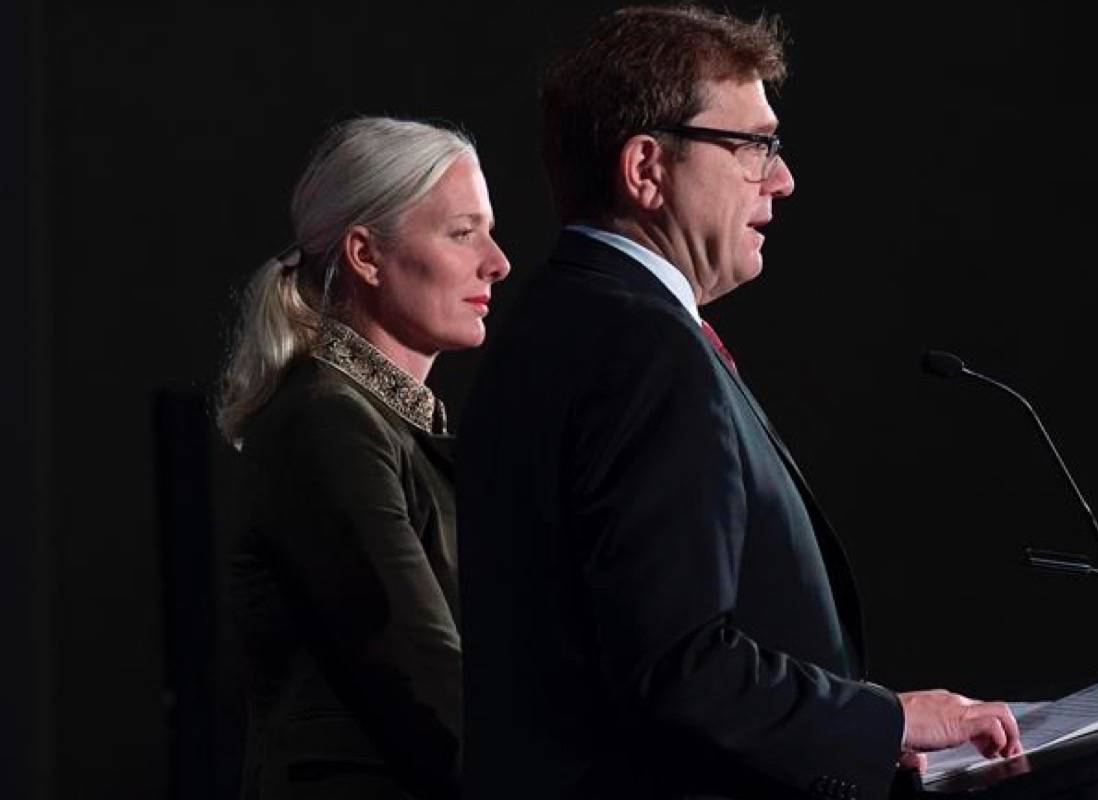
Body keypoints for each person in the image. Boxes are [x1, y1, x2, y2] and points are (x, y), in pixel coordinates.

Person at [455, 7, 1020, 800]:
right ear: (647, 168)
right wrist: (880, 721)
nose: (781, 177)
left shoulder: (554, 329)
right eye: (752, 146)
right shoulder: (640, 350)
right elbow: (677, 666)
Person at [218, 116, 510, 800]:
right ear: (364, 254)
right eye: (462, 232)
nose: (496, 260)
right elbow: (426, 678)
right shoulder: (328, 418)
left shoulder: (384, 420)